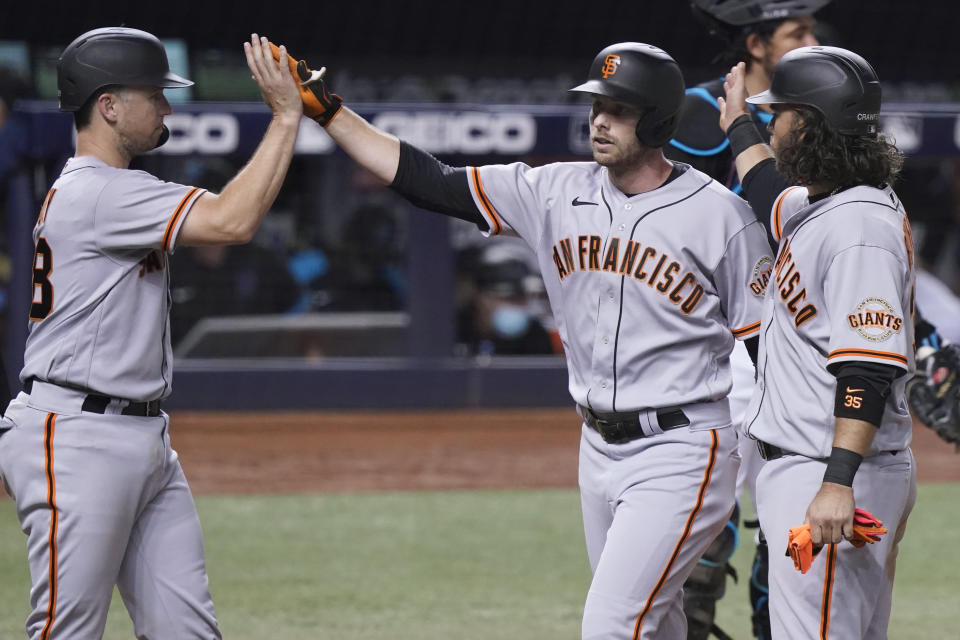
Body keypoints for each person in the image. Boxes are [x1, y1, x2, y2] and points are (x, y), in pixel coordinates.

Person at [277, 41, 774, 639]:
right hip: (598, 448)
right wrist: (330, 112)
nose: (599, 120)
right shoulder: (552, 190)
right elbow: (429, 182)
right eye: (596, 105)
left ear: (659, 119)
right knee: (657, 625)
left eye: (618, 108)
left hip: (683, 449)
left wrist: (796, 469)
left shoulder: (722, 216)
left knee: (612, 626)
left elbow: (764, 350)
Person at [0, 28, 301, 638]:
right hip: (77, 438)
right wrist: (286, 117)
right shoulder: (101, 193)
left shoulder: (104, 190)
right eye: (153, 94)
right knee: (67, 630)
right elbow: (233, 220)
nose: (166, 106)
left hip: (141, 438)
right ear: (109, 105)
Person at [719, 46, 916, 639]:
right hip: (819, 468)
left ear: (804, 123)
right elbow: (765, 188)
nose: (772, 125)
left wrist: (837, 483)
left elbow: (866, 370)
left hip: (830, 477)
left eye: (778, 115)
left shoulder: (859, 231)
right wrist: (738, 125)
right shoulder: (826, 203)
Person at [665, 3, 832, 637]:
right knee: (704, 514)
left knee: (791, 515)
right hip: (723, 337)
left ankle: (778, 627)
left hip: (799, 337)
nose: (812, 43)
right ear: (756, 44)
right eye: (798, 33)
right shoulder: (697, 112)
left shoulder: (821, 108)